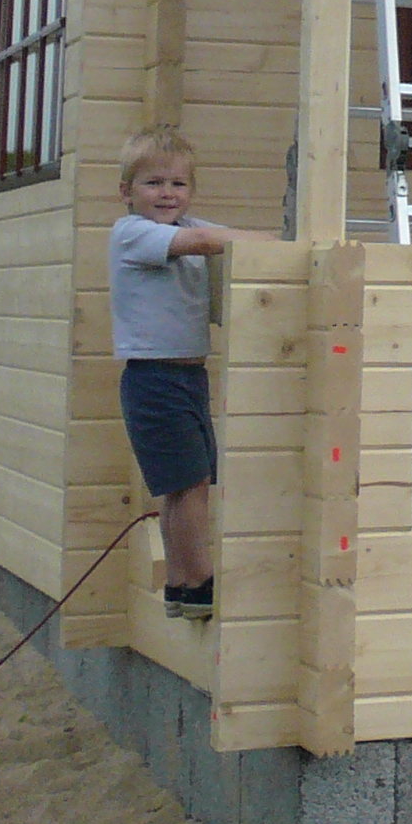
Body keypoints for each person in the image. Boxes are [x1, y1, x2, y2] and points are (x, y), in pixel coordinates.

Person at [110, 126, 231, 617]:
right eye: (153, 183)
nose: (166, 194)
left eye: (178, 184)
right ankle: (200, 581)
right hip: (154, 379)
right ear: (127, 192)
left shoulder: (189, 228)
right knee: (187, 484)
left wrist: (272, 246)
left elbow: (211, 237)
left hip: (187, 377)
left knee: (187, 486)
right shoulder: (133, 232)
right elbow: (203, 241)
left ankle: (180, 584)